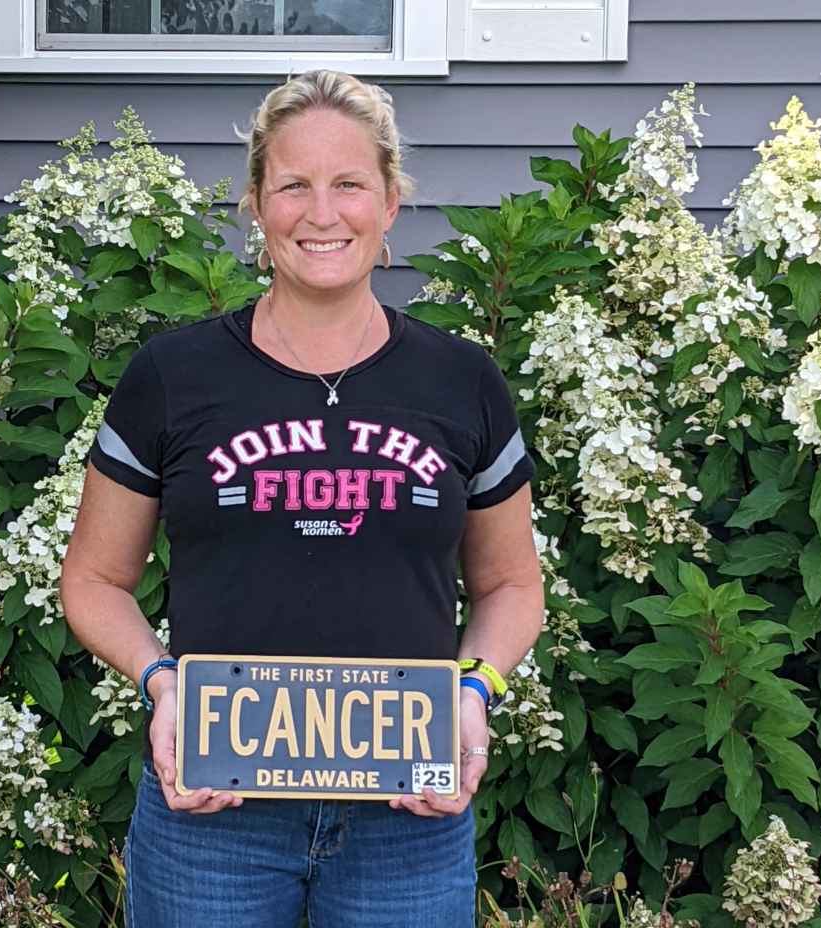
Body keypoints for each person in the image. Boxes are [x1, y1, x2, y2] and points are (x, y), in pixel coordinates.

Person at [59, 69, 545, 928]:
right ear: (255, 203)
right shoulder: (171, 377)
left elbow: (511, 586)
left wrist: (473, 693)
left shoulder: (462, 381)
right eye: (294, 185)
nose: (323, 213)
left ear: (391, 202)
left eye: (350, 184)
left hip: (408, 820)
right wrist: (162, 684)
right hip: (212, 816)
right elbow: (94, 580)